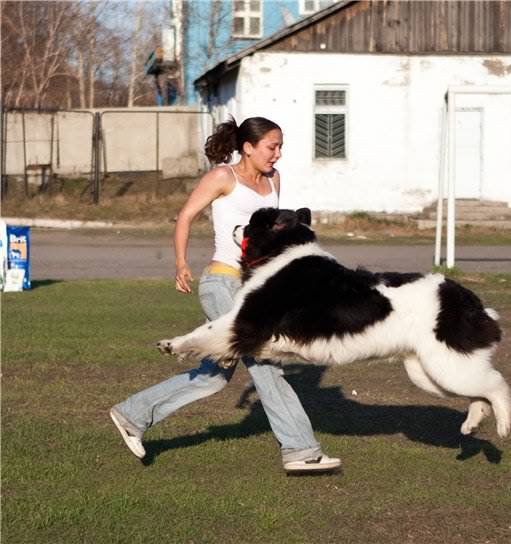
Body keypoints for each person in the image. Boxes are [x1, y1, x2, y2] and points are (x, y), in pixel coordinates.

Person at [110, 116, 341, 473]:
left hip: (253, 288)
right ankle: (301, 450)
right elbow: (185, 216)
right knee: (266, 365)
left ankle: (132, 415)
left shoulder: (273, 179)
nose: (277, 154)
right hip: (223, 284)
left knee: (213, 376)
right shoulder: (222, 178)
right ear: (248, 147)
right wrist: (181, 263)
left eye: (280, 147)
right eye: (271, 147)